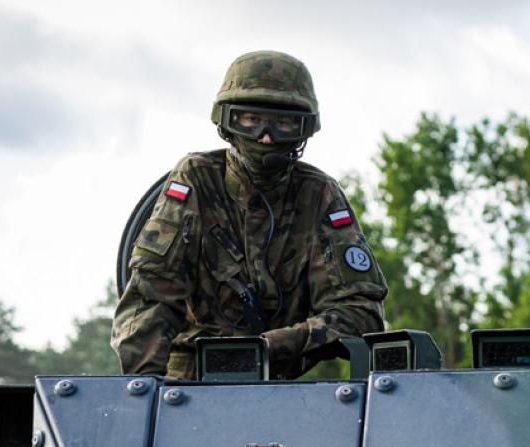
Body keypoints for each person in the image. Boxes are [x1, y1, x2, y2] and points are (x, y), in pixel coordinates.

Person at [112, 51, 387, 380]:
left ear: (303, 129)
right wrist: (145, 387)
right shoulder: (197, 179)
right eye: (251, 120)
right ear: (227, 121)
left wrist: (272, 346)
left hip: (280, 383)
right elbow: (150, 294)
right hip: (187, 382)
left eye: (283, 123)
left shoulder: (318, 194)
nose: (266, 136)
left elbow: (360, 313)